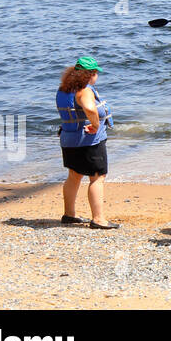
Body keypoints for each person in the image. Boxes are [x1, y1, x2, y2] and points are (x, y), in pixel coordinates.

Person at [56, 56, 118, 229]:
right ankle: (98, 219)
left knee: (74, 175)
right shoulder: (84, 90)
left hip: (68, 139)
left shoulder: (64, 89)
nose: (97, 77)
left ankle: (69, 214)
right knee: (97, 177)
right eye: (96, 73)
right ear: (89, 75)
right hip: (88, 141)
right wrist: (96, 124)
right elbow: (90, 108)